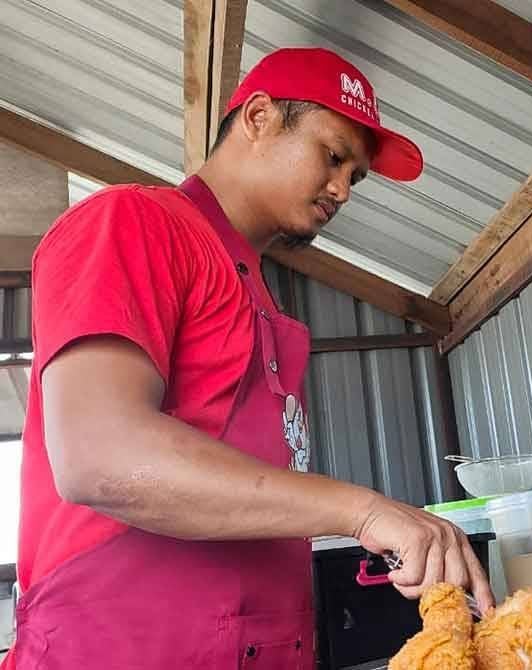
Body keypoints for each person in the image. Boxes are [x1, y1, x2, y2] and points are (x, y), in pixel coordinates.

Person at [4, 48, 492, 669]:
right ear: (259, 117)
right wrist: (362, 510)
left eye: (355, 177)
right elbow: (100, 457)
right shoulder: (134, 221)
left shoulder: (254, 289)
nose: (343, 189)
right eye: (334, 156)